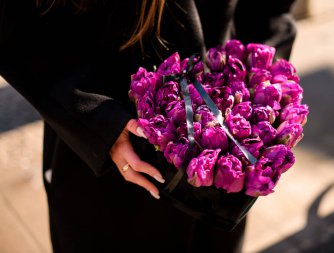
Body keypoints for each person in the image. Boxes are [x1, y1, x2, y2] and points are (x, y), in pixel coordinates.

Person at [0, 0, 297, 252]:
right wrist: (98, 121)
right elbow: (15, 26)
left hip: (227, 156)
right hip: (115, 167)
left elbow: (270, 9)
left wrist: (264, 73)